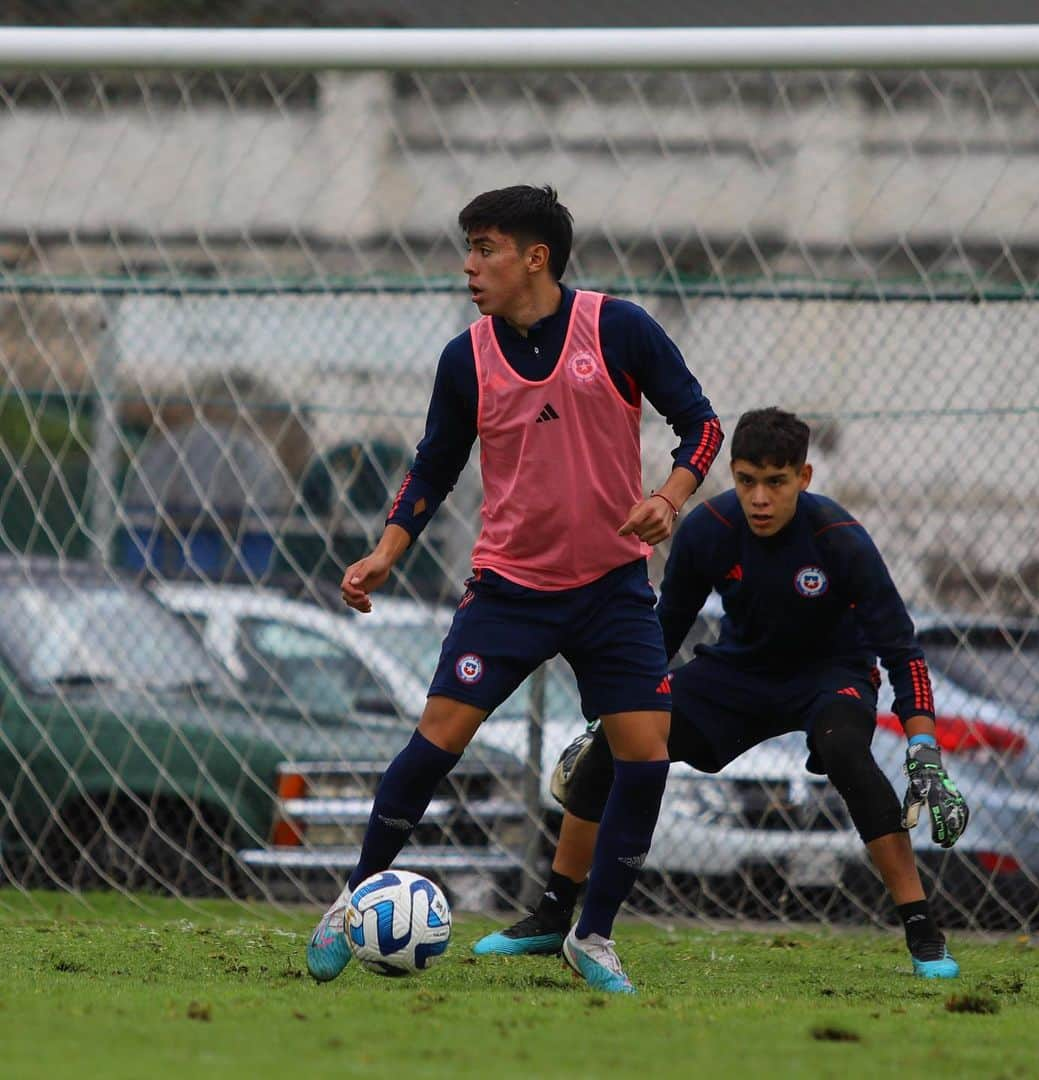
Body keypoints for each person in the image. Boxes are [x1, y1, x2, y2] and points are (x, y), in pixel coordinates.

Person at [306, 185, 723, 994]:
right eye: (468, 247)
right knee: (434, 743)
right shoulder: (466, 358)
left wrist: (668, 499)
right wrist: (386, 551)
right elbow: (434, 464)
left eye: (485, 248)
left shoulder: (619, 327)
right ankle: (350, 901)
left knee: (646, 754)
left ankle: (592, 936)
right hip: (507, 590)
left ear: (535, 258)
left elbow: (701, 425)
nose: (469, 265)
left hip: (610, 588)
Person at [474, 406, 970, 980]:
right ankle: (551, 917)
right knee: (616, 746)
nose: (760, 497)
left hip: (830, 675)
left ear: (803, 479)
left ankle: (923, 934)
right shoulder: (710, 528)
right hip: (736, 674)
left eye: (776, 482)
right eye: (747, 480)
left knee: (846, 754)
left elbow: (902, 651)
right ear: (732, 474)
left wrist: (924, 752)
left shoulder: (841, 540)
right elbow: (662, 633)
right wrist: (610, 720)